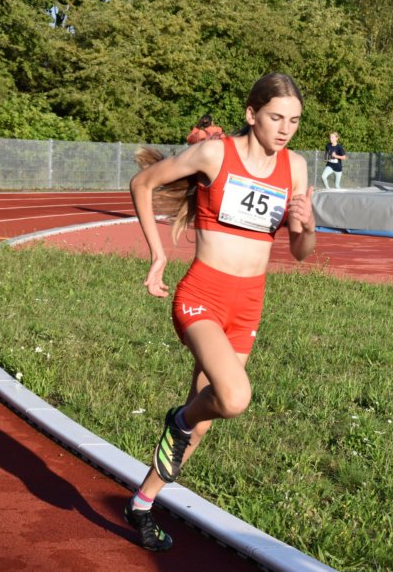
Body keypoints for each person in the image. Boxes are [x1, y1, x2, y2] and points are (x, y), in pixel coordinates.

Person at [125, 73, 316, 552]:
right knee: (232, 398)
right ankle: (178, 420)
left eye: (294, 121)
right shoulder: (215, 154)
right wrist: (157, 254)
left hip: (249, 303)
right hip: (202, 295)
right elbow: (143, 182)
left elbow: (301, 251)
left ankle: (142, 504)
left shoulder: (295, 167)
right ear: (252, 114)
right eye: (276, 117)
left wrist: (307, 226)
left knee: (206, 418)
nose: (285, 129)